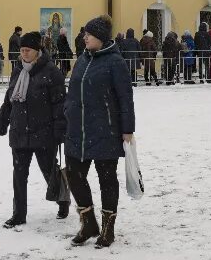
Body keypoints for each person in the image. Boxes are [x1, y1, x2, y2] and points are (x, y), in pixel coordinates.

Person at [64, 15, 134, 248]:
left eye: (89, 34)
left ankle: (107, 228)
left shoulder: (115, 62)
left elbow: (125, 98)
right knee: (74, 174)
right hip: (78, 130)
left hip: (106, 130)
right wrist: (67, 113)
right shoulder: (83, 59)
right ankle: (88, 222)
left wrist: (127, 129)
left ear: (101, 39)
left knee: (107, 180)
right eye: (85, 33)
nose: (84, 37)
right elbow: (73, 91)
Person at [0, 31, 71, 228]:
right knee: (19, 175)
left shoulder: (51, 72)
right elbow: (9, 99)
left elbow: (59, 104)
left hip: (43, 131)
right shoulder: (18, 71)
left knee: (49, 171)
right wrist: (2, 121)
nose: (24, 54)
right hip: (19, 131)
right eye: (21, 50)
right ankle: (18, 214)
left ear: (37, 51)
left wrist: (60, 130)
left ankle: (62, 200)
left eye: (28, 50)